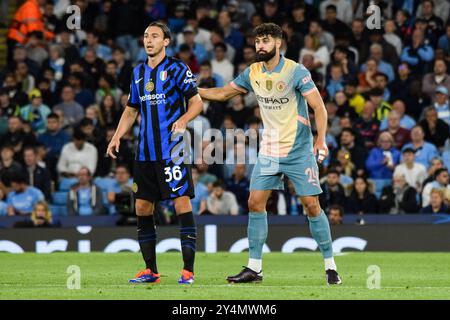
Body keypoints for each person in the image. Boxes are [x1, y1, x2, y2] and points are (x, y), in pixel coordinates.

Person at [198, 23, 341, 285]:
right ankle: (254, 268)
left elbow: (319, 107)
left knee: (311, 206)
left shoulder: (295, 71)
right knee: (255, 203)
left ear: (278, 43)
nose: (259, 45)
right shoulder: (252, 72)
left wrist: (321, 139)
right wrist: (192, 91)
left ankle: (330, 266)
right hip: (270, 150)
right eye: (257, 41)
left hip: (299, 150)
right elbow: (222, 93)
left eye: (265, 41)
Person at [106, 22, 203, 285]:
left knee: (181, 202)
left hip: (172, 150)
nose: (149, 40)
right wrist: (116, 136)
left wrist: (183, 120)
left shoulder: (177, 69)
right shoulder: (137, 72)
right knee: (141, 206)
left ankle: (188, 271)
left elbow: (197, 102)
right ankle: (151, 270)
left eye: (155, 36)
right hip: (145, 153)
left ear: (166, 41)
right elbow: (131, 109)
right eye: (146, 36)